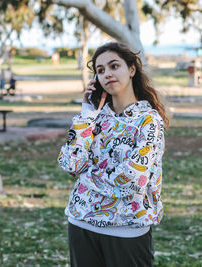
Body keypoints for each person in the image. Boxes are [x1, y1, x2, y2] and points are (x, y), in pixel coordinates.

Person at [58, 42, 168, 267]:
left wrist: (85, 179)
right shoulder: (94, 119)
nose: (107, 74)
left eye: (114, 66)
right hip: (81, 223)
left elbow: (131, 181)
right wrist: (87, 114)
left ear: (131, 69)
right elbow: (70, 163)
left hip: (126, 230)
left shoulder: (148, 121)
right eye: (100, 70)